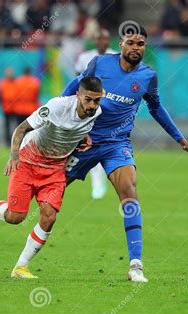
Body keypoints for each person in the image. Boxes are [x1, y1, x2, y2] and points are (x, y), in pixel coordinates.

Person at [62, 25, 188, 283]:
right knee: (48, 191)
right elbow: (75, 88)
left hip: (116, 144)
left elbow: (156, 108)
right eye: (131, 42)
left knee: (130, 191)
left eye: (140, 44)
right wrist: (59, 122)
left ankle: (136, 265)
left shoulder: (147, 76)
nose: (135, 48)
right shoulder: (99, 64)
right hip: (84, 140)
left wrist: (181, 140)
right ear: (120, 44)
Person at [0, 77, 104, 279]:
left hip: (56, 168)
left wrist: (84, 138)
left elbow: (76, 129)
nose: (92, 105)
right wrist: (14, 155)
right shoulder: (56, 107)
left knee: (49, 217)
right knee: (15, 217)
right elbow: (21, 128)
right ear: (78, 95)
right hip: (28, 161)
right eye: (88, 99)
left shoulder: (96, 113)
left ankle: (21, 267)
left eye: (96, 100)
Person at [75, 29, 117, 200]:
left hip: (108, 107)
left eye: (105, 38)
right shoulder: (85, 57)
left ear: (109, 40)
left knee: (107, 143)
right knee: (90, 142)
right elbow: (78, 79)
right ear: (95, 39)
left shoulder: (116, 57)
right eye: (99, 37)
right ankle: (97, 183)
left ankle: (108, 177)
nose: (102, 41)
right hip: (89, 106)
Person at [0, 67, 18, 147]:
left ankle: (16, 142)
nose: (9, 74)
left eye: (10, 72)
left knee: (17, 127)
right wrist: (1, 105)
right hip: (6, 108)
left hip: (16, 108)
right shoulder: (2, 83)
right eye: (8, 72)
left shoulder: (16, 82)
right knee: (7, 126)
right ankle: (7, 142)